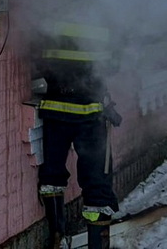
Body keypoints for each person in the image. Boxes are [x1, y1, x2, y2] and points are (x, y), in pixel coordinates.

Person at [33, 20, 122, 249]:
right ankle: (96, 245)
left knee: (52, 177)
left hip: (55, 113)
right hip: (90, 118)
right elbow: (113, 65)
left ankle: (57, 237)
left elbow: (36, 58)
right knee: (97, 185)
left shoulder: (50, 18)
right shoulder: (102, 19)